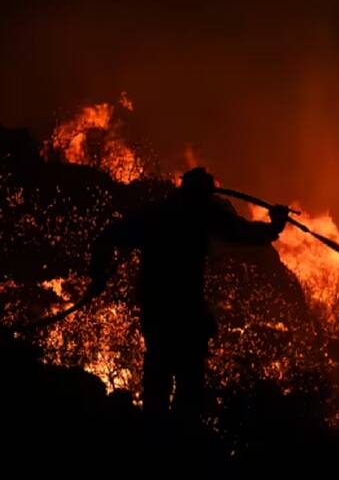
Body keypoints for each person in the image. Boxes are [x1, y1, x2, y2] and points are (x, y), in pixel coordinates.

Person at [88, 167, 290, 424]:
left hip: (158, 310)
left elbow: (108, 236)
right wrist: (275, 225)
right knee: (187, 384)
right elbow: (244, 233)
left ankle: (155, 436)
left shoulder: (155, 215)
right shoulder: (201, 215)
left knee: (159, 379)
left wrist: (98, 274)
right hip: (185, 313)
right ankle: (178, 443)